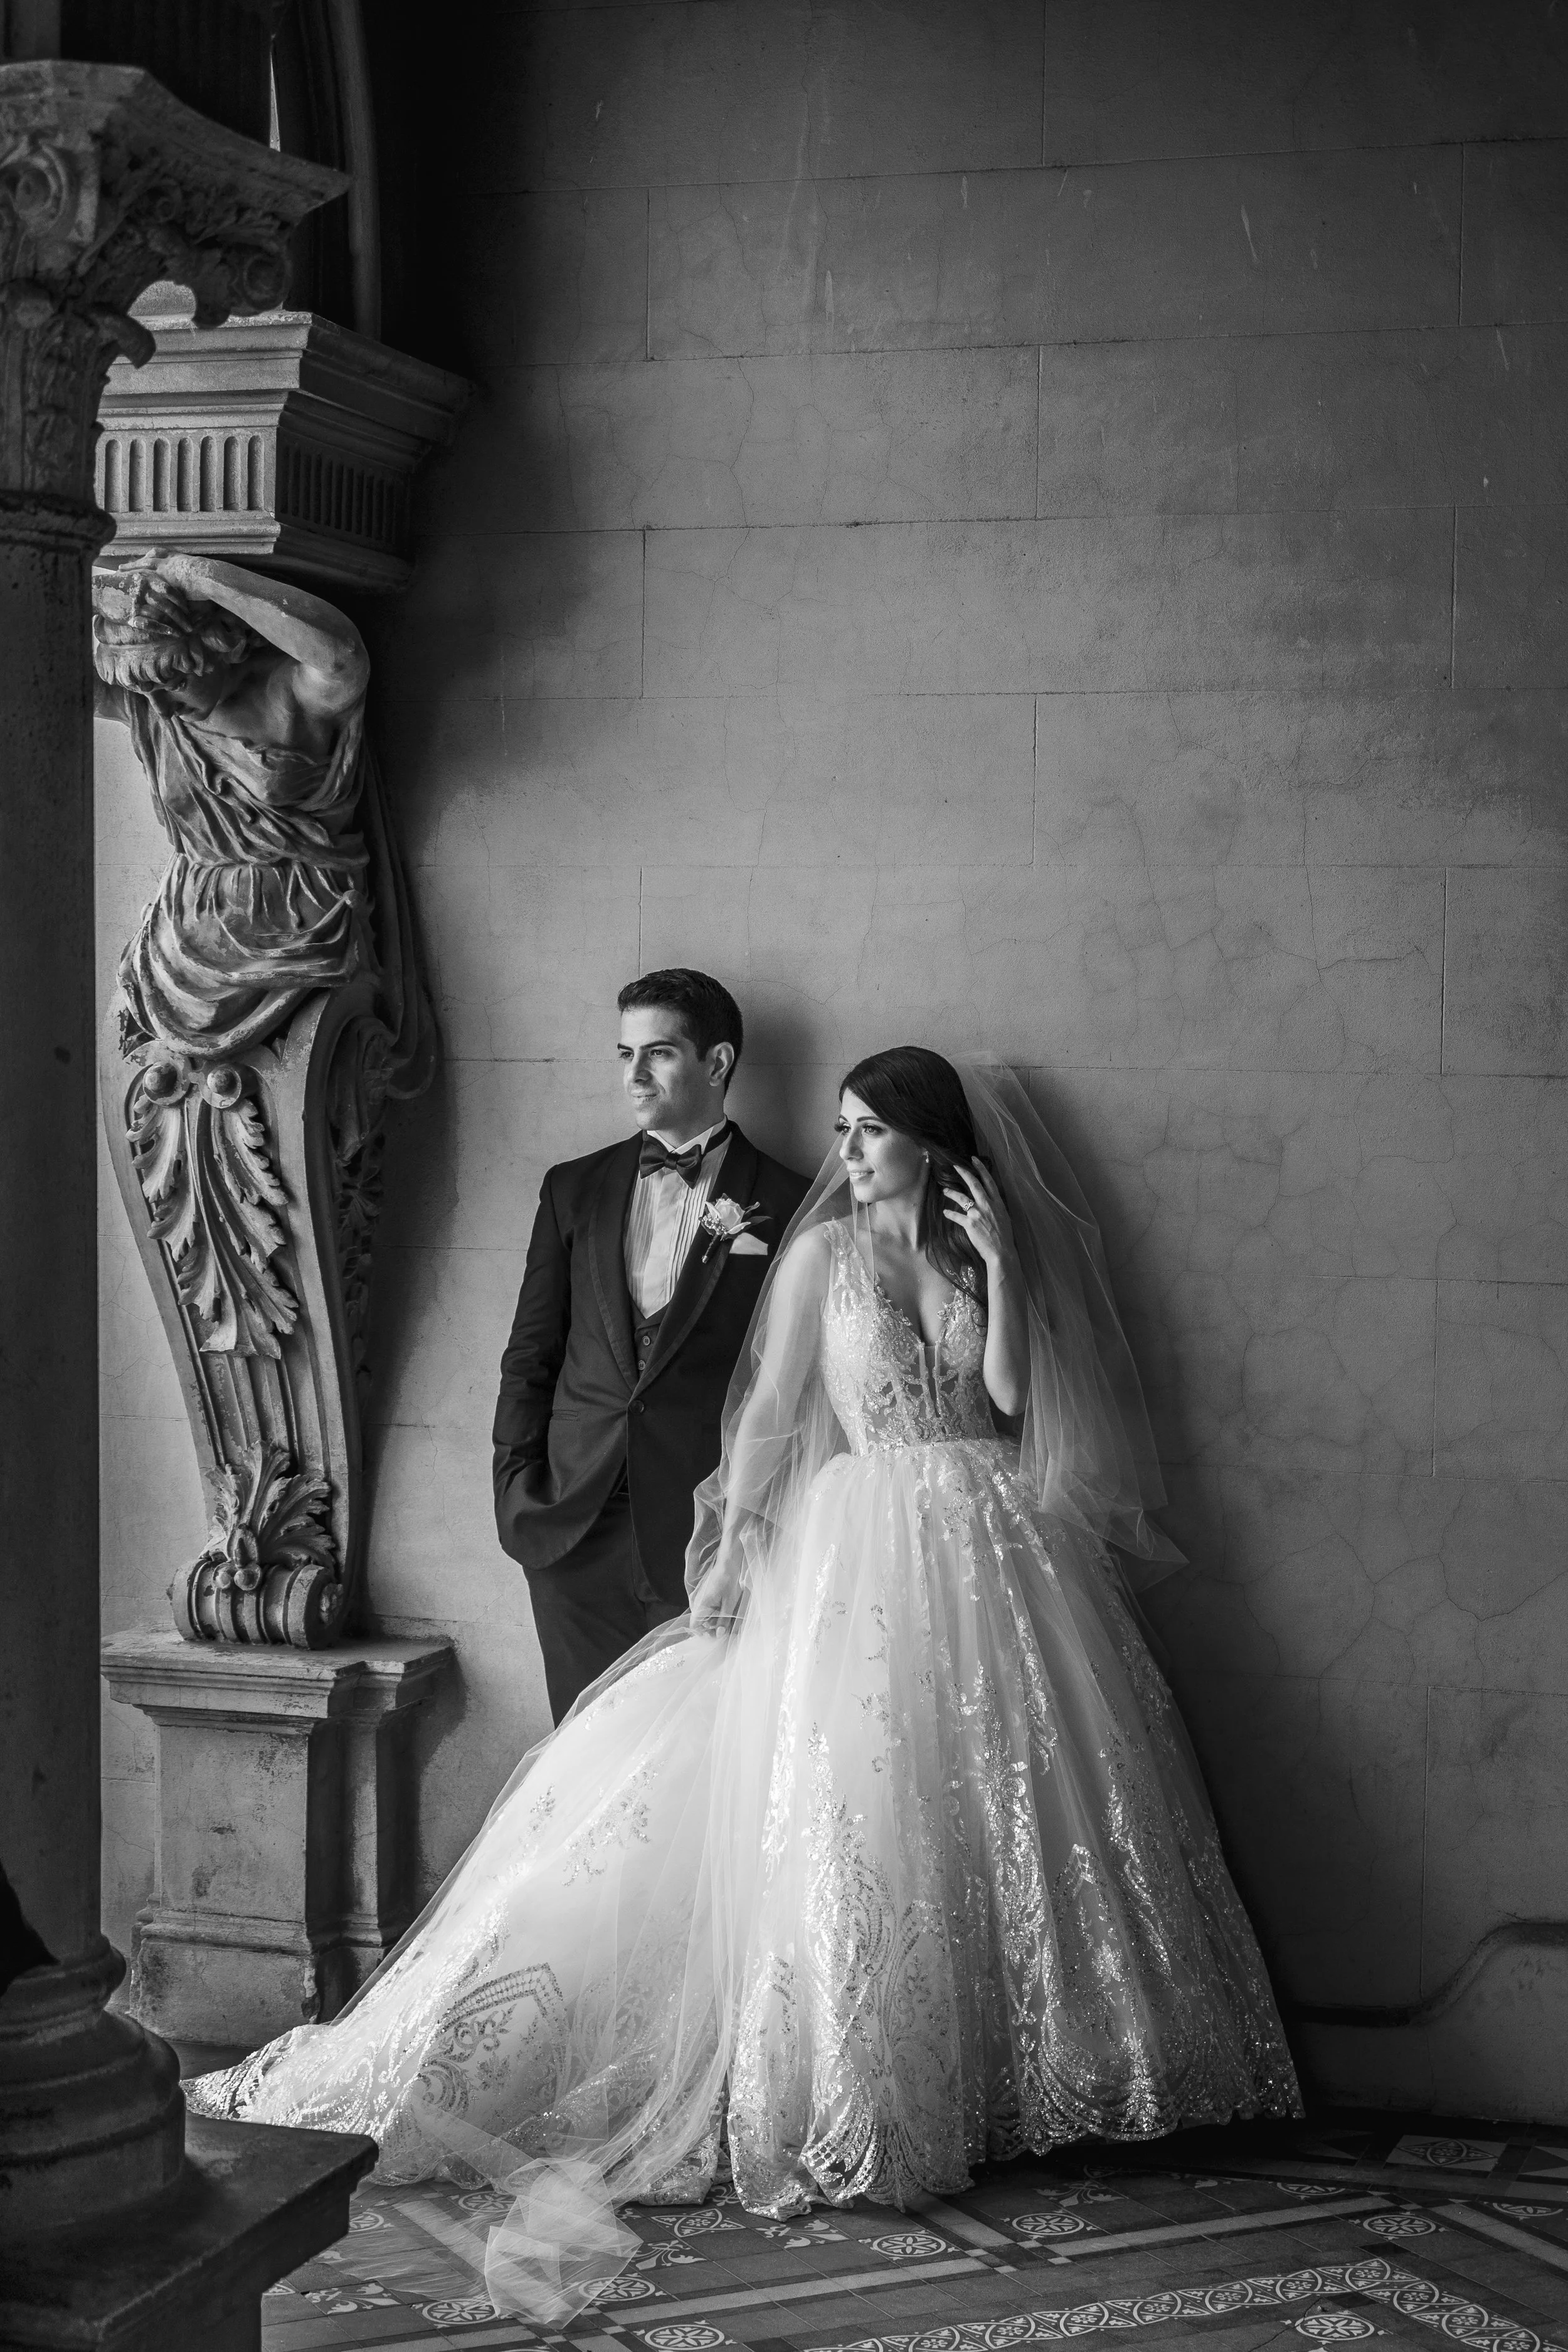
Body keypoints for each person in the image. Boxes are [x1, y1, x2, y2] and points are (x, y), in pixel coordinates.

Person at [187, 1048, 1301, 2320]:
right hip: (860, 1543)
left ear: (933, 1144)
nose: (851, 1149)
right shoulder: (821, 1259)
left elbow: (1005, 1401)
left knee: (1018, 1802)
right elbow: (770, 1418)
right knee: (859, 1800)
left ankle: (1041, 2076)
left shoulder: (973, 1250)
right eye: (845, 1127)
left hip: (991, 1533)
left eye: (873, 1130)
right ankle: (868, 2082)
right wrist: (729, 1555)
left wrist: (995, 1267)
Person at [493, 970, 810, 1722]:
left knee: (689, 1762)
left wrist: (750, 1532)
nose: (633, 1075)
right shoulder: (572, 1188)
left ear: (718, 1063)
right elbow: (529, 1354)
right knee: (574, 1756)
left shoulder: (792, 1201)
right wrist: (516, 1491)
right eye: (624, 1052)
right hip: (570, 1529)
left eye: (658, 1053)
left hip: (705, 1532)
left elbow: (792, 1381)